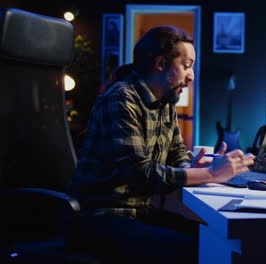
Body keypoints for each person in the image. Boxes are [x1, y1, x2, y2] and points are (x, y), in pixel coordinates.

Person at [68, 26, 254, 264]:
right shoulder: (121, 99)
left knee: (217, 240)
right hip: (98, 218)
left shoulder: (165, 103)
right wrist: (209, 173)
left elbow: (177, 153)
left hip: (137, 214)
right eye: (186, 65)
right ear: (160, 63)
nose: (192, 76)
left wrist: (191, 166)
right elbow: (140, 174)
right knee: (198, 252)